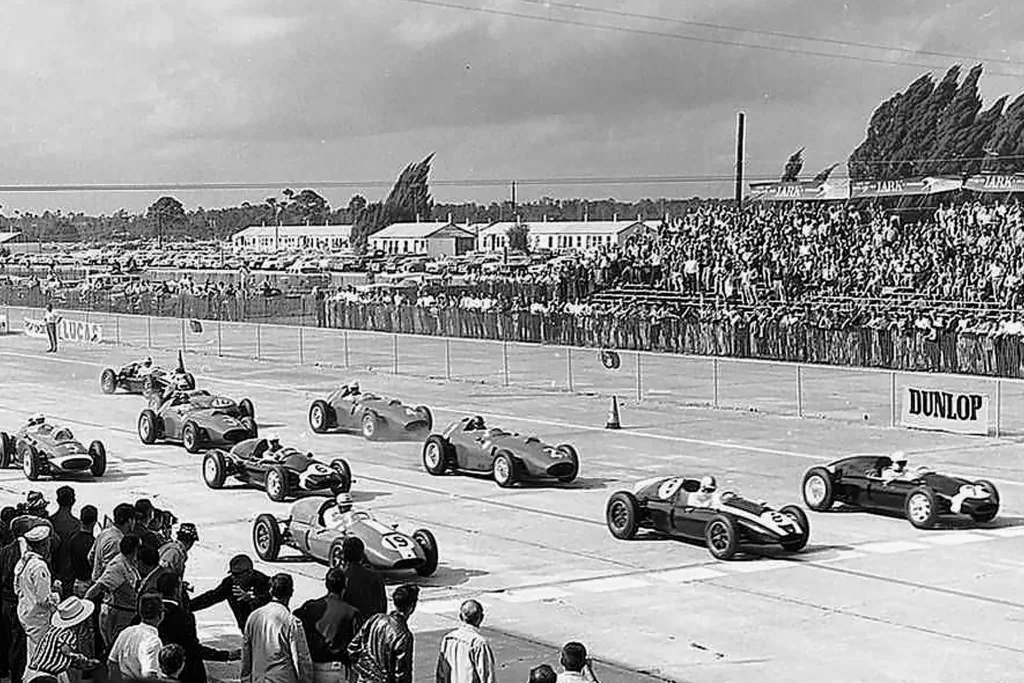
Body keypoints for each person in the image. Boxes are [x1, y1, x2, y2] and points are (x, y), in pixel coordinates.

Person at [151, 573, 237, 683]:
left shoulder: (145, 614)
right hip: (185, 671)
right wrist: (225, 655)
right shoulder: (183, 617)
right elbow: (193, 649)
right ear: (177, 590)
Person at [240, 574, 313, 683]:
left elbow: (246, 653)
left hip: (258, 679)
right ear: (291, 592)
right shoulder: (291, 621)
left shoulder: (254, 616)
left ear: (270, 591)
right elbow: (300, 658)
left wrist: (245, 679)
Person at [293, 568, 361, 683]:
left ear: (326, 584)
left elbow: (294, 621)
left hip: (312, 667)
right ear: (345, 585)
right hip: (335, 669)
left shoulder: (310, 607)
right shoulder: (351, 612)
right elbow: (356, 646)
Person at [347, 584, 418, 683]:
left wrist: (366, 671)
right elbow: (402, 675)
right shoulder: (403, 636)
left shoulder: (376, 619)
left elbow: (352, 649)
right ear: (412, 607)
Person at [23, 597, 100, 683]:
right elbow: (65, 651)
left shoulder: (52, 630)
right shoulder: (68, 634)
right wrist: (82, 659)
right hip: (45, 677)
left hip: (32, 673)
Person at [15, 525, 61, 666]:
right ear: (44, 544)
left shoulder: (23, 561)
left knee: (32, 651)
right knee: (40, 656)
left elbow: (16, 588)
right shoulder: (39, 566)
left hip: (26, 612)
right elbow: (44, 600)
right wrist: (56, 593)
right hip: (38, 617)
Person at [85, 535, 141, 649]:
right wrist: (84, 607)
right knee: (115, 649)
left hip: (126, 614)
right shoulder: (117, 566)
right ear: (135, 549)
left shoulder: (130, 563)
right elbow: (98, 587)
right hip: (115, 616)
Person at [191, 555, 271, 632]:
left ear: (249, 572)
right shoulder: (230, 584)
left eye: (237, 575)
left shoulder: (264, 583)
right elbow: (211, 597)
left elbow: (274, 602)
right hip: (246, 629)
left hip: (265, 629)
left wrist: (252, 599)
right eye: (232, 574)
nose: (233, 577)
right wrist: (187, 606)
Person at [106, 594, 164, 683]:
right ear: (161, 614)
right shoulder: (153, 641)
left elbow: (112, 663)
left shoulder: (126, 632)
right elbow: (150, 676)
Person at [435, 600, 495, 683]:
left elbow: (440, 674)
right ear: (481, 618)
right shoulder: (479, 643)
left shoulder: (448, 639)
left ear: (460, 617)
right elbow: (487, 677)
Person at [339, 539, 386, 618]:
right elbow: (382, 607)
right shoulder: (375, 576)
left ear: (343, 555)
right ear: (362, 555)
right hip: (370, 623)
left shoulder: (339, 577)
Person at [89, 504, 136, 582]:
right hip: (106, 587)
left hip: (97, 582)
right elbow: (110, 571)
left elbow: (90, 557)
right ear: (130, 521)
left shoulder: (104, 533)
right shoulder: (118, 541)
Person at [49, 488, 80, 600]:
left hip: (51, 571)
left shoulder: (50, 522)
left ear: (57, 500)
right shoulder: (77, 525)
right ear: (73, 501)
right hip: (69, 574)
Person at [66, 507, 97, 598]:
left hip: (75, 581)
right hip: (89, 583)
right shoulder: (94, 542)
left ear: (80, 520)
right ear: (95, 522)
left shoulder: (73, 539)